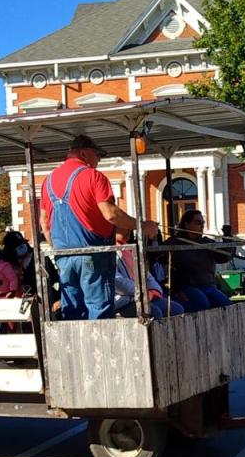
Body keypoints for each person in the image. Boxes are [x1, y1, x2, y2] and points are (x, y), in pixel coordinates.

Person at [39, 135, 157, 320]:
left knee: (71, 308)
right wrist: (142, 225)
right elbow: (110, 214)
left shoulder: (49, 181)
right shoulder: (93, 176)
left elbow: (44, 223)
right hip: (93, 254)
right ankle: (99, 349)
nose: (98, 161)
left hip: (64, 257)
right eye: (98, 155)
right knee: (99, 308)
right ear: (84, 153)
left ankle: (73, 348)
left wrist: (57, 247)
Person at [166, 210, 234, 312]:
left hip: (208, 286)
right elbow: (162, 266)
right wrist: (176, 290)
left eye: (203, 223)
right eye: (198, 222)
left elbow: (224, 256)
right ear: (186, 224)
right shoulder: (174, 242)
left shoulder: (206, 242)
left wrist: (228, 237)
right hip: (186, 287)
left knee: (228, 306)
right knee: (202, 303)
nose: (201, 226)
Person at [113, 228, 184, 319]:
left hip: (144, 296)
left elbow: (147, 275)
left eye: (128, 228)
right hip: (125, 300)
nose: (128, 230)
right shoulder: (109, 251)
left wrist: (155, 290)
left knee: (177, 310)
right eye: (124, 227)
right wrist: (143, 292)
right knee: (154, 313)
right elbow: (118, 283)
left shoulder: (130, 249)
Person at [2, 230, 36, 295]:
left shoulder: (37, 256)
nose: (21, 247)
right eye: (16, 246)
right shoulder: (7, 265)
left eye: (22, 243)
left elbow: (53, 277)